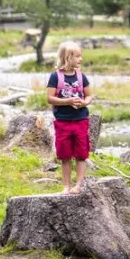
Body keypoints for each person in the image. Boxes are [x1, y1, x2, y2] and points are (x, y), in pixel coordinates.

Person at [46, 41, 94, 194]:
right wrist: (67, 101)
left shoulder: (82, 77)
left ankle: (78, 185)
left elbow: (89, 96)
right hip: (62, 122)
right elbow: (50, 98)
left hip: (81, 121)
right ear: (67, 57)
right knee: (64, 155)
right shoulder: (55, 77)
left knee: (81, 154)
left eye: (81, 56)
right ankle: (66, 186)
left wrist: (84, 103)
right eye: (77, 56)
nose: (81, 59)